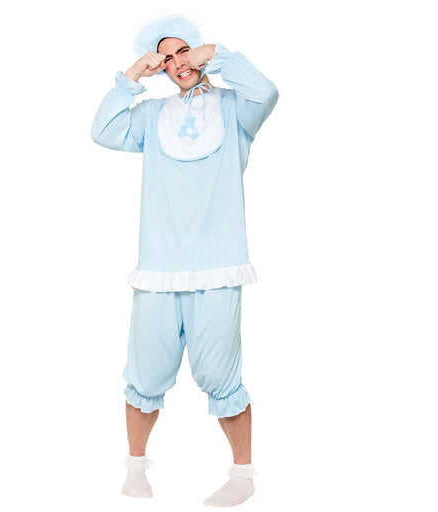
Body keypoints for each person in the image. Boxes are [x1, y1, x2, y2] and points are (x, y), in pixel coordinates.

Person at [91, 15, 278, 507]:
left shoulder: (234, 108)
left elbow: (266, 93)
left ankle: (243, 475)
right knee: (144, 374)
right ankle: (135, 469)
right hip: (158, 268)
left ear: (197, 53)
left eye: (184, 51)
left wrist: (219, 52)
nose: (178, 63)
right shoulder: (152, 116)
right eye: (167, 57)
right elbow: (102, 130)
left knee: (221, 376)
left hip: (218, 265)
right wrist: (134, 73)